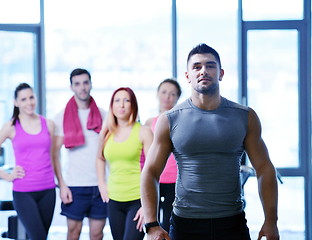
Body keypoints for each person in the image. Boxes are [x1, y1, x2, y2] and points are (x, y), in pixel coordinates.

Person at [140, 43, 280, 240]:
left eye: (210, 65)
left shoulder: (244, 116)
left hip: (232, 222)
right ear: (187, 75)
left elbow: (265, 169)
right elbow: (151, 172)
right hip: (185, 224)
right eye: (196, 67)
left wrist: (271, 220)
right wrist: (152, 225)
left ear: (221, 73)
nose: (203, 71)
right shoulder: (170, 119)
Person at [0, 83, 56, 240]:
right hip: (24, 192)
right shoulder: (11, 127)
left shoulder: (48, 124)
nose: (29, 103)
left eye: (31, 97)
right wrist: (7, 176)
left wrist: (61, 183)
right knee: (38, 238)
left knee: (41, 236)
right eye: (23, 99)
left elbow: (53, 156)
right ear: (16, 102)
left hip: (48, 190)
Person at [52, 68, 107, 240]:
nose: (82, 87)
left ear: (91, 84)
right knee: (73, 233)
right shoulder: (61, 116)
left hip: (100, 186)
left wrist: (109, 183)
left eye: (85, 83)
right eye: (77, 84)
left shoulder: (104, 115)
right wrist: (62, 185)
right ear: (71, 87)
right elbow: (55, 153)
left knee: (97, 234)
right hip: (75, 185)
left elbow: (110, 151)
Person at [96, 87, 153, 240]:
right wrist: (101, 183)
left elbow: (153, 170)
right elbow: (100, 158)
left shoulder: (144, 132)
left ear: (133, 105)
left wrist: (147, 205)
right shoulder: (106, 132)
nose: (121, 105)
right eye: (117, 101)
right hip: (113, 200)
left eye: (126, 100)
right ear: (112, 106)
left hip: (137, 199)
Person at [143, 78, 181, 233]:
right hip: (155, 179)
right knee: (152, 225)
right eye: (164, 92)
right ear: (157, 94)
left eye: (172, 94)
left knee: (168, 225)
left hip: (175, 180)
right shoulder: (149, 122)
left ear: (177, 97)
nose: (167, 97)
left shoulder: (180, 120)